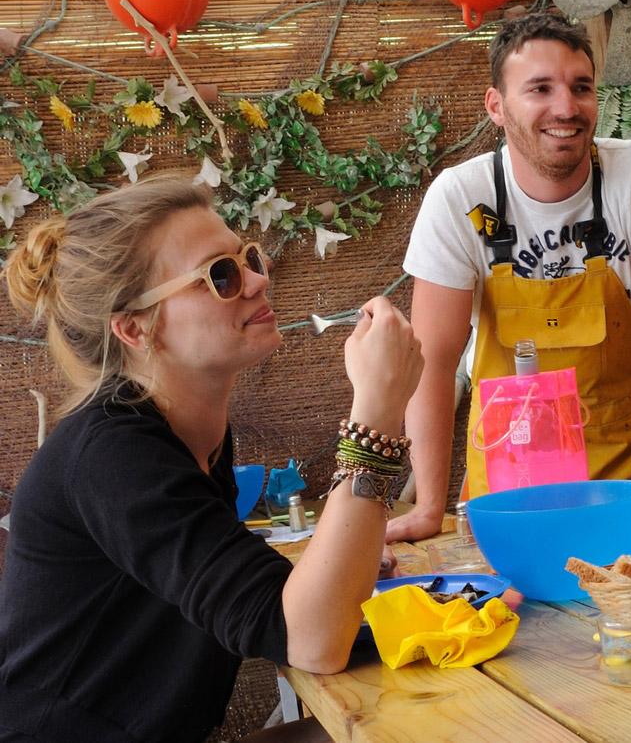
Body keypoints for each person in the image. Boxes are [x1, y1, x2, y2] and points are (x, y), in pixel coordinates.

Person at [0, 175, 425, 740]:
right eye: (218, 276)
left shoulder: (189, 438)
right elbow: (312, 639)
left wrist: (339, 567)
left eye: (246, 258)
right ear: (135, 328)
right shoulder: (111, 456)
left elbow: (255, 600)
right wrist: (376, 413)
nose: (256, 280)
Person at [389, 12, 631, 543]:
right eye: (540, 88)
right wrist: (427, 507)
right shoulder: (464, 199)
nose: (566, 107)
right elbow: (434, 363)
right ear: (497, 106)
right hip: (512, 499)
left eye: (581, 88)